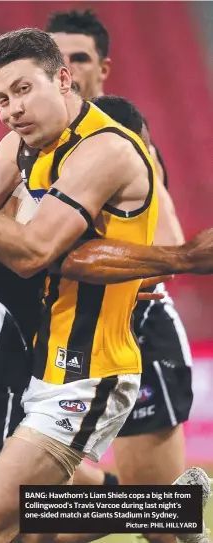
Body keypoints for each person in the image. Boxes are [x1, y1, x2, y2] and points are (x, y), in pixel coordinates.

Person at [0, 29, 213, 543]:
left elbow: (31, 252)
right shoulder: (21, 144)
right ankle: (163, 510)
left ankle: (162, 511)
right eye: (0, 98)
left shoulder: (106, 150)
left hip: (91, 372)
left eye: (22, 90)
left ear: (62, 79)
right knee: (20, 527)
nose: (11, 110)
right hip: (39, 363)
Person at [46, 10, 200, 543]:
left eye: (79, 59)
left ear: (102, 69)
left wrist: (77, 260)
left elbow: (170, 248)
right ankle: (152, 506)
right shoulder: (34, 149)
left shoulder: (124, 140)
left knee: (159, 533)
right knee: (12, 505)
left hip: (135, 330)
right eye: (55, 60)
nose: (67, 70)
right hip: (61, 334)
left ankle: (167, 515)